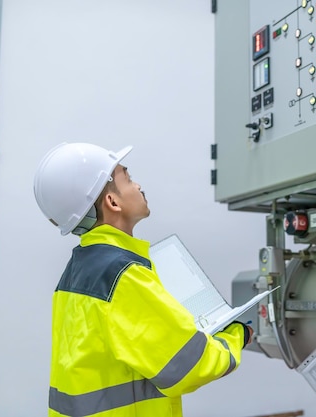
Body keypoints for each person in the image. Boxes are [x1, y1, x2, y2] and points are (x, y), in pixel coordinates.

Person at [33, 142, 253, 417]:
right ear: (112, 202)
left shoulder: (79, 269)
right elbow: (190, 365)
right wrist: (237, 335)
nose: (138, 185)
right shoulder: (123, 275)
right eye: (127, 178)